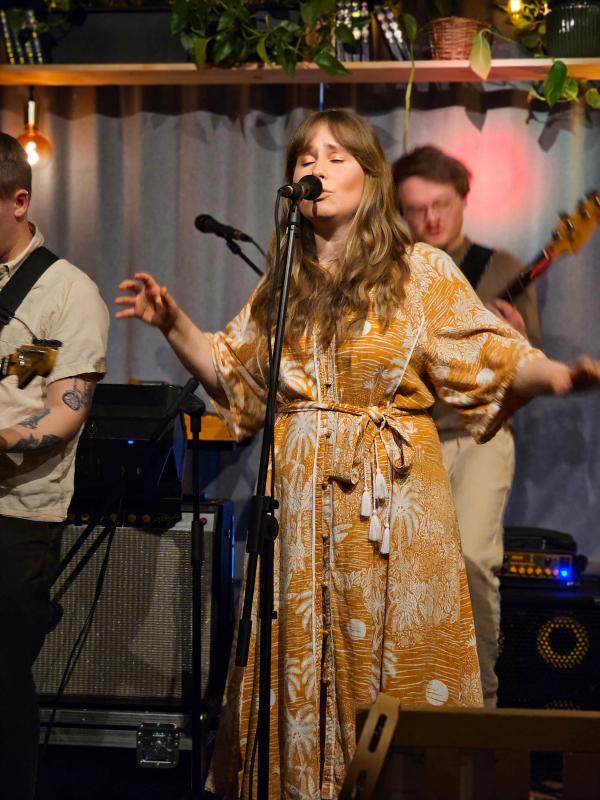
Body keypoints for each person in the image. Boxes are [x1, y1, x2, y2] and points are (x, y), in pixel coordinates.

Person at [116, 110, 600, 800]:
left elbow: (489, 352)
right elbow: (238, 379)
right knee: (298, 658)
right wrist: (176, 323)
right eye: (305, 157)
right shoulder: (286, 284)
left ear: (371, 180)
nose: (315, 167)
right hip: (303, 509)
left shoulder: (419, 270)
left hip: (392, 506)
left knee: (396, 664)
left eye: (336, 156)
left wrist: (556, 376)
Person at [392, 145, 542, 707]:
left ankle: (480, 701)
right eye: (415, 209)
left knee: (474, 560)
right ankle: (414, 700)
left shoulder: (499, 267)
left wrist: (520, 339)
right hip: (411, 438)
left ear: (462, 200)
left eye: (440, 204)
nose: (430, 220)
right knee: (408, 571)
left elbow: (528, 372)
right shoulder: (394, 271)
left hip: (478, 436)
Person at [0, 133, 109, 800]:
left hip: (15, 518)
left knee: (3, 685)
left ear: (18, 201)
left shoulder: (68, 292)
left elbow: (62, 415)